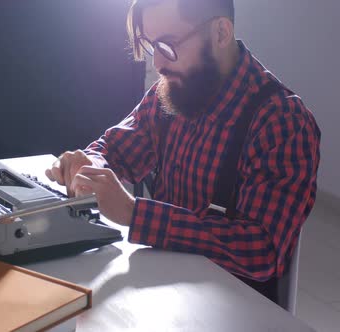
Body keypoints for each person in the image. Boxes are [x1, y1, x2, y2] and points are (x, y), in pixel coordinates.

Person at [45, 0, 320, 303]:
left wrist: (135, 213)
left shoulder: (282, 121)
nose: (159, 64)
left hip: (232, 306)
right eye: (152, 46)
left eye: (169, 45)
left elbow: (261, 251)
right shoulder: (173, 89)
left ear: (220, 33)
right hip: (165, 292)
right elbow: (116, 148)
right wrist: (89, 165)